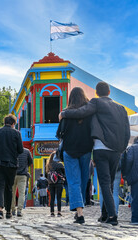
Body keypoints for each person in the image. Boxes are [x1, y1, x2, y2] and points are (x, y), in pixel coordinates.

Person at [59, 82, 130, 225]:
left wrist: (64, 113)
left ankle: (111, 216)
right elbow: (126, 131)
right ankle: (104, 215)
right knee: (108, 183)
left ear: (96, 93)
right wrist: (122, 148)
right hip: (114, 150)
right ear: (109, 92)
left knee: (103, 182)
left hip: (99, 148)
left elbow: (80, 113)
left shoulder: (95, 103)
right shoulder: (121, 108)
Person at [57, 87, 93, 223]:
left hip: (70, 150)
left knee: (73, 181)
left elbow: (59, 133)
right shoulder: (89, 113)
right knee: (84, 180)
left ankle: (80, 212)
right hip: (86, 149)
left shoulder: (66, 113)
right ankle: (79, 211)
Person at [0, 114, 23, 219]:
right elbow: (20, 150)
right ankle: (8, 211)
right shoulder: (16, 133)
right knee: (9, 187)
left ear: (4, 122)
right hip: (11, 164)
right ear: (13, 123)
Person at [121, 136, 138, 224]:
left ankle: (135, 219)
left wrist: (126, 174)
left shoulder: (132, 148)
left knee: (135, 198)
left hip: (135, 177)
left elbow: (129, 160)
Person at [11, 148, 33, 216]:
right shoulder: (27, 151)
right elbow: (30, 162)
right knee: (22, 193)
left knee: (12, 193)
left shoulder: (12, 150)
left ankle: (12, 209)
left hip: (13, 174)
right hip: (23, 175)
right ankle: (19, 210)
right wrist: (25, 166)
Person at [46, 151, 65, 216]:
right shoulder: (60, 164)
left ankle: (52, 212)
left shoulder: (49, 164)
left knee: (52, 198)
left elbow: (47, 173)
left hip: (51, 183)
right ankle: (59, 212)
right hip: (59, 182)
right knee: (59, 198)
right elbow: (64, 173)